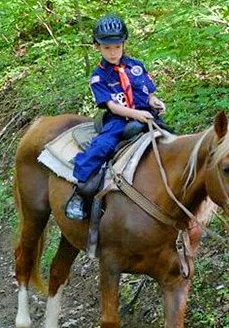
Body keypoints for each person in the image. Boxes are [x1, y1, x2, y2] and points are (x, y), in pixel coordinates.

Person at [65, 15, 166, 220]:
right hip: (119, 120)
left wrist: (155, 101)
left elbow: (148, 92)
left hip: (146, 115)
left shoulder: (136, 67)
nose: (113, 52)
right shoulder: (98, 76)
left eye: (117, 47)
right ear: (97, 47)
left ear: (123, 44)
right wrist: (137, 114)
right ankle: (80, 191)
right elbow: (112, 106)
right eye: (107, 48)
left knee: (171, 141)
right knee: (101, 147)